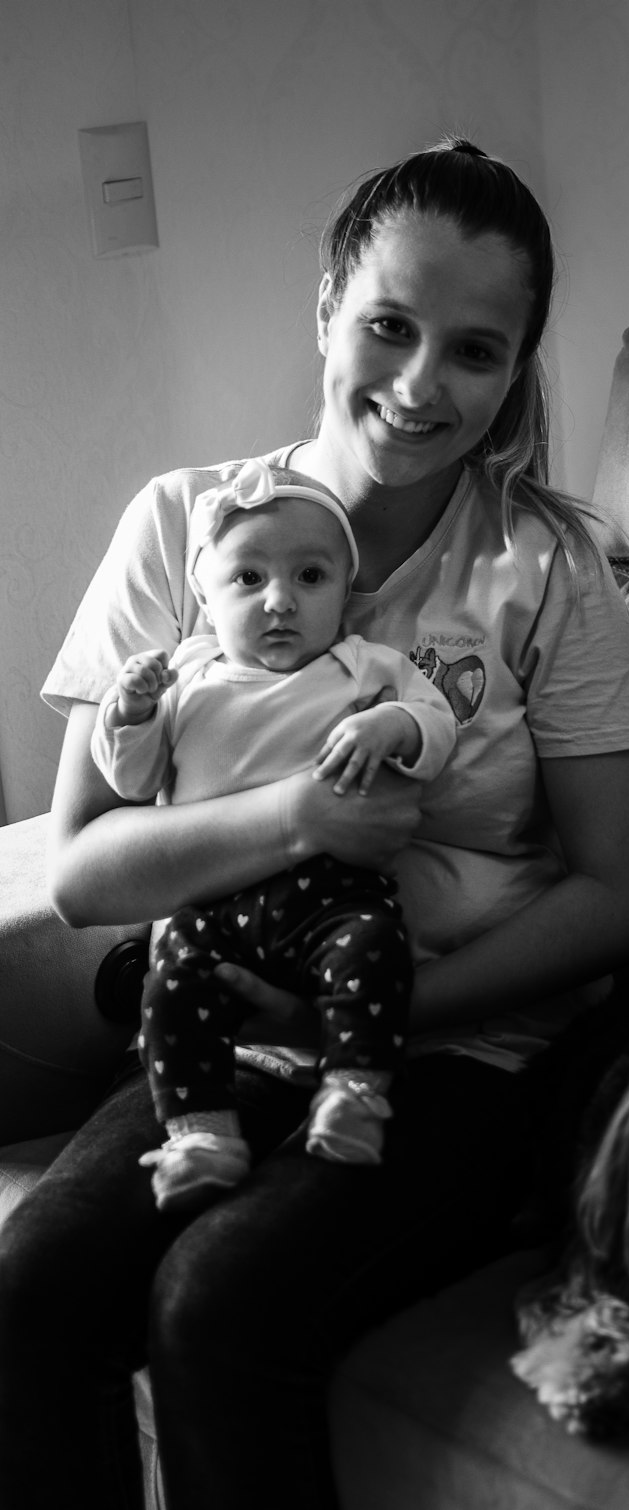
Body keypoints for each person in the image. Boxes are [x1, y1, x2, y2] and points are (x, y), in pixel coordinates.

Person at [0, 137, 629, 1510]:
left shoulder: (548, 568)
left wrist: (379, 1016)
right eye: (388, 325)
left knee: (215, 1306)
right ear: (325, 311)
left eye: (476, 351)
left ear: (518, 369)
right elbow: (77, 872)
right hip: (227, 1016)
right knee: (31, 1292)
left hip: (466, 1055)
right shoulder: (183, 530)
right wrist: (300, 814)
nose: (423, 385)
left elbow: (628, 891)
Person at [91, 458, 457, 1208]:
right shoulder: (187, 676)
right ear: (205, 594)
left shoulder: (361, 666)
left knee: (375, 949)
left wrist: (392, 721)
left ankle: (354, 1095)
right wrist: (127, 715)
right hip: (212, 898)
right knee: (169, 991)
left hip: (331, 895)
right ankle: (200, 1135)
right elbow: (131, 781)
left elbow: (438, 722)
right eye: (248, 580)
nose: (280, 601)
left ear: (343, 593)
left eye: (311, 578)